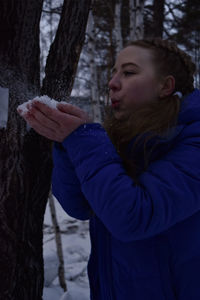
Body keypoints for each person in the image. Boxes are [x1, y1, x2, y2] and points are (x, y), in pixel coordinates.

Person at [18, 38, 200, 300]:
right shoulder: (126, 137)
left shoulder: (193, 141)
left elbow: (133, 216)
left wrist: (84, 140)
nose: (112, 83)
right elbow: (81, 206)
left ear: (165, 86)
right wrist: (69, 144)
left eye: (128, 72)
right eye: (114, 72)